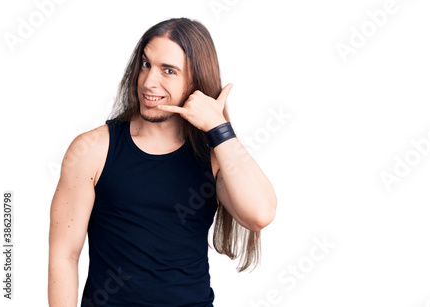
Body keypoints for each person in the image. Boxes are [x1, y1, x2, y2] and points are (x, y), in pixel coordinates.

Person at [48, 18, 277, 307]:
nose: (148, 82)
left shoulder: (214, 155)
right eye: (146, 64)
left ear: (194, 82)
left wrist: (219, 127)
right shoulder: (93, 150)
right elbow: (64, 256)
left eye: (168, 71)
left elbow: (260, 214)